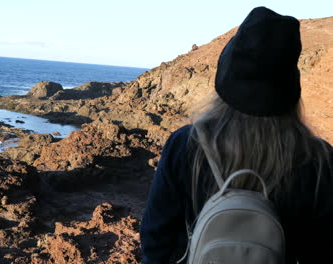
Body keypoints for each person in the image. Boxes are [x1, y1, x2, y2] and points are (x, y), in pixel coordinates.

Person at [140, 6, 333, 264]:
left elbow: (155, 242)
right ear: (290, 87)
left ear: (225, 76)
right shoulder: (318, 160)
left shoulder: (187, 145)